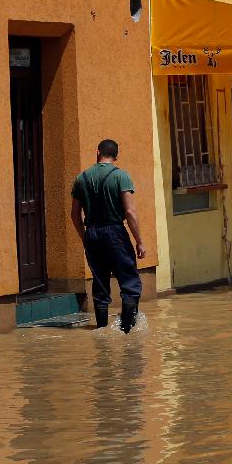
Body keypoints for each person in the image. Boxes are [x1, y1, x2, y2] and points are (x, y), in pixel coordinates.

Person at [71, 139, 146, 332]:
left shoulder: (81, 178)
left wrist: (84, 237)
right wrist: (139, 241)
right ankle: (127, 331)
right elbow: (129, 212)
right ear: (116, 156)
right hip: (115, 232)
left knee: (100, 282)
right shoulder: (121, 176)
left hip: (92, 233)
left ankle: (102, 329)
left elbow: (74, 214)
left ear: (97, 152)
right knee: (129, 282)